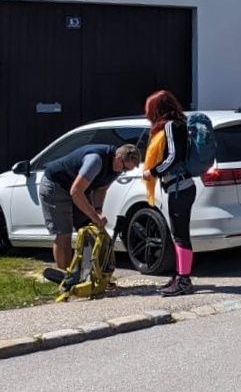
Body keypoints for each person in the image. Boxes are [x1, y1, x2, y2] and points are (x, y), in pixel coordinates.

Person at [39, 143, 141, 271]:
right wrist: (93, 215)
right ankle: (65, 278)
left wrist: (98, 211)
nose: (123, 172)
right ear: (119, 158)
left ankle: (89, 274)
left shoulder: (117, 167)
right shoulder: (95, 160)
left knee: (90, 229)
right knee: (64, 233)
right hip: (56, 185)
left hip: (79, 190)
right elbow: (75, 192)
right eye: (125, 169)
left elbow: (101, 189)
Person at [142, 88, 195, 296]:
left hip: (180, 187)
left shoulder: (172, 126)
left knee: (180, 234)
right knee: (178, 233)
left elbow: (174, 156)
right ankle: (179, 274)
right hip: (179, 187)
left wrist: (152, 171)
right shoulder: (177, 125)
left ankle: (183, 280)